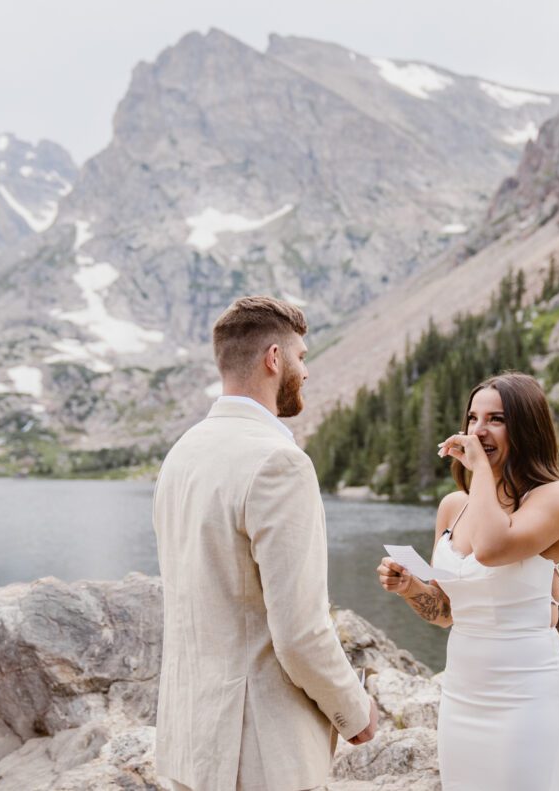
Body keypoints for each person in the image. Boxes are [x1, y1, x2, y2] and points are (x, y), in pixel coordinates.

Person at [153, 295, 377, 791]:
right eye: (301, 357)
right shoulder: (279, 462)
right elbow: (299, 631)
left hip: (190, 740)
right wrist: (353, 710)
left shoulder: (181, 454)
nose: (306, 371)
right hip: (259, 753)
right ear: (274, 359)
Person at [377, 372, 559, 790]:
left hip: (529, 697)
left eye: (496, 419)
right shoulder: (453, 506)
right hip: (462, 695)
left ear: (527, 427)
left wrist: (481, 471)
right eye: (472, 418)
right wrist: (411, 588)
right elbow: (446, 613)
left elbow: (492, 547)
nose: (478, 430)